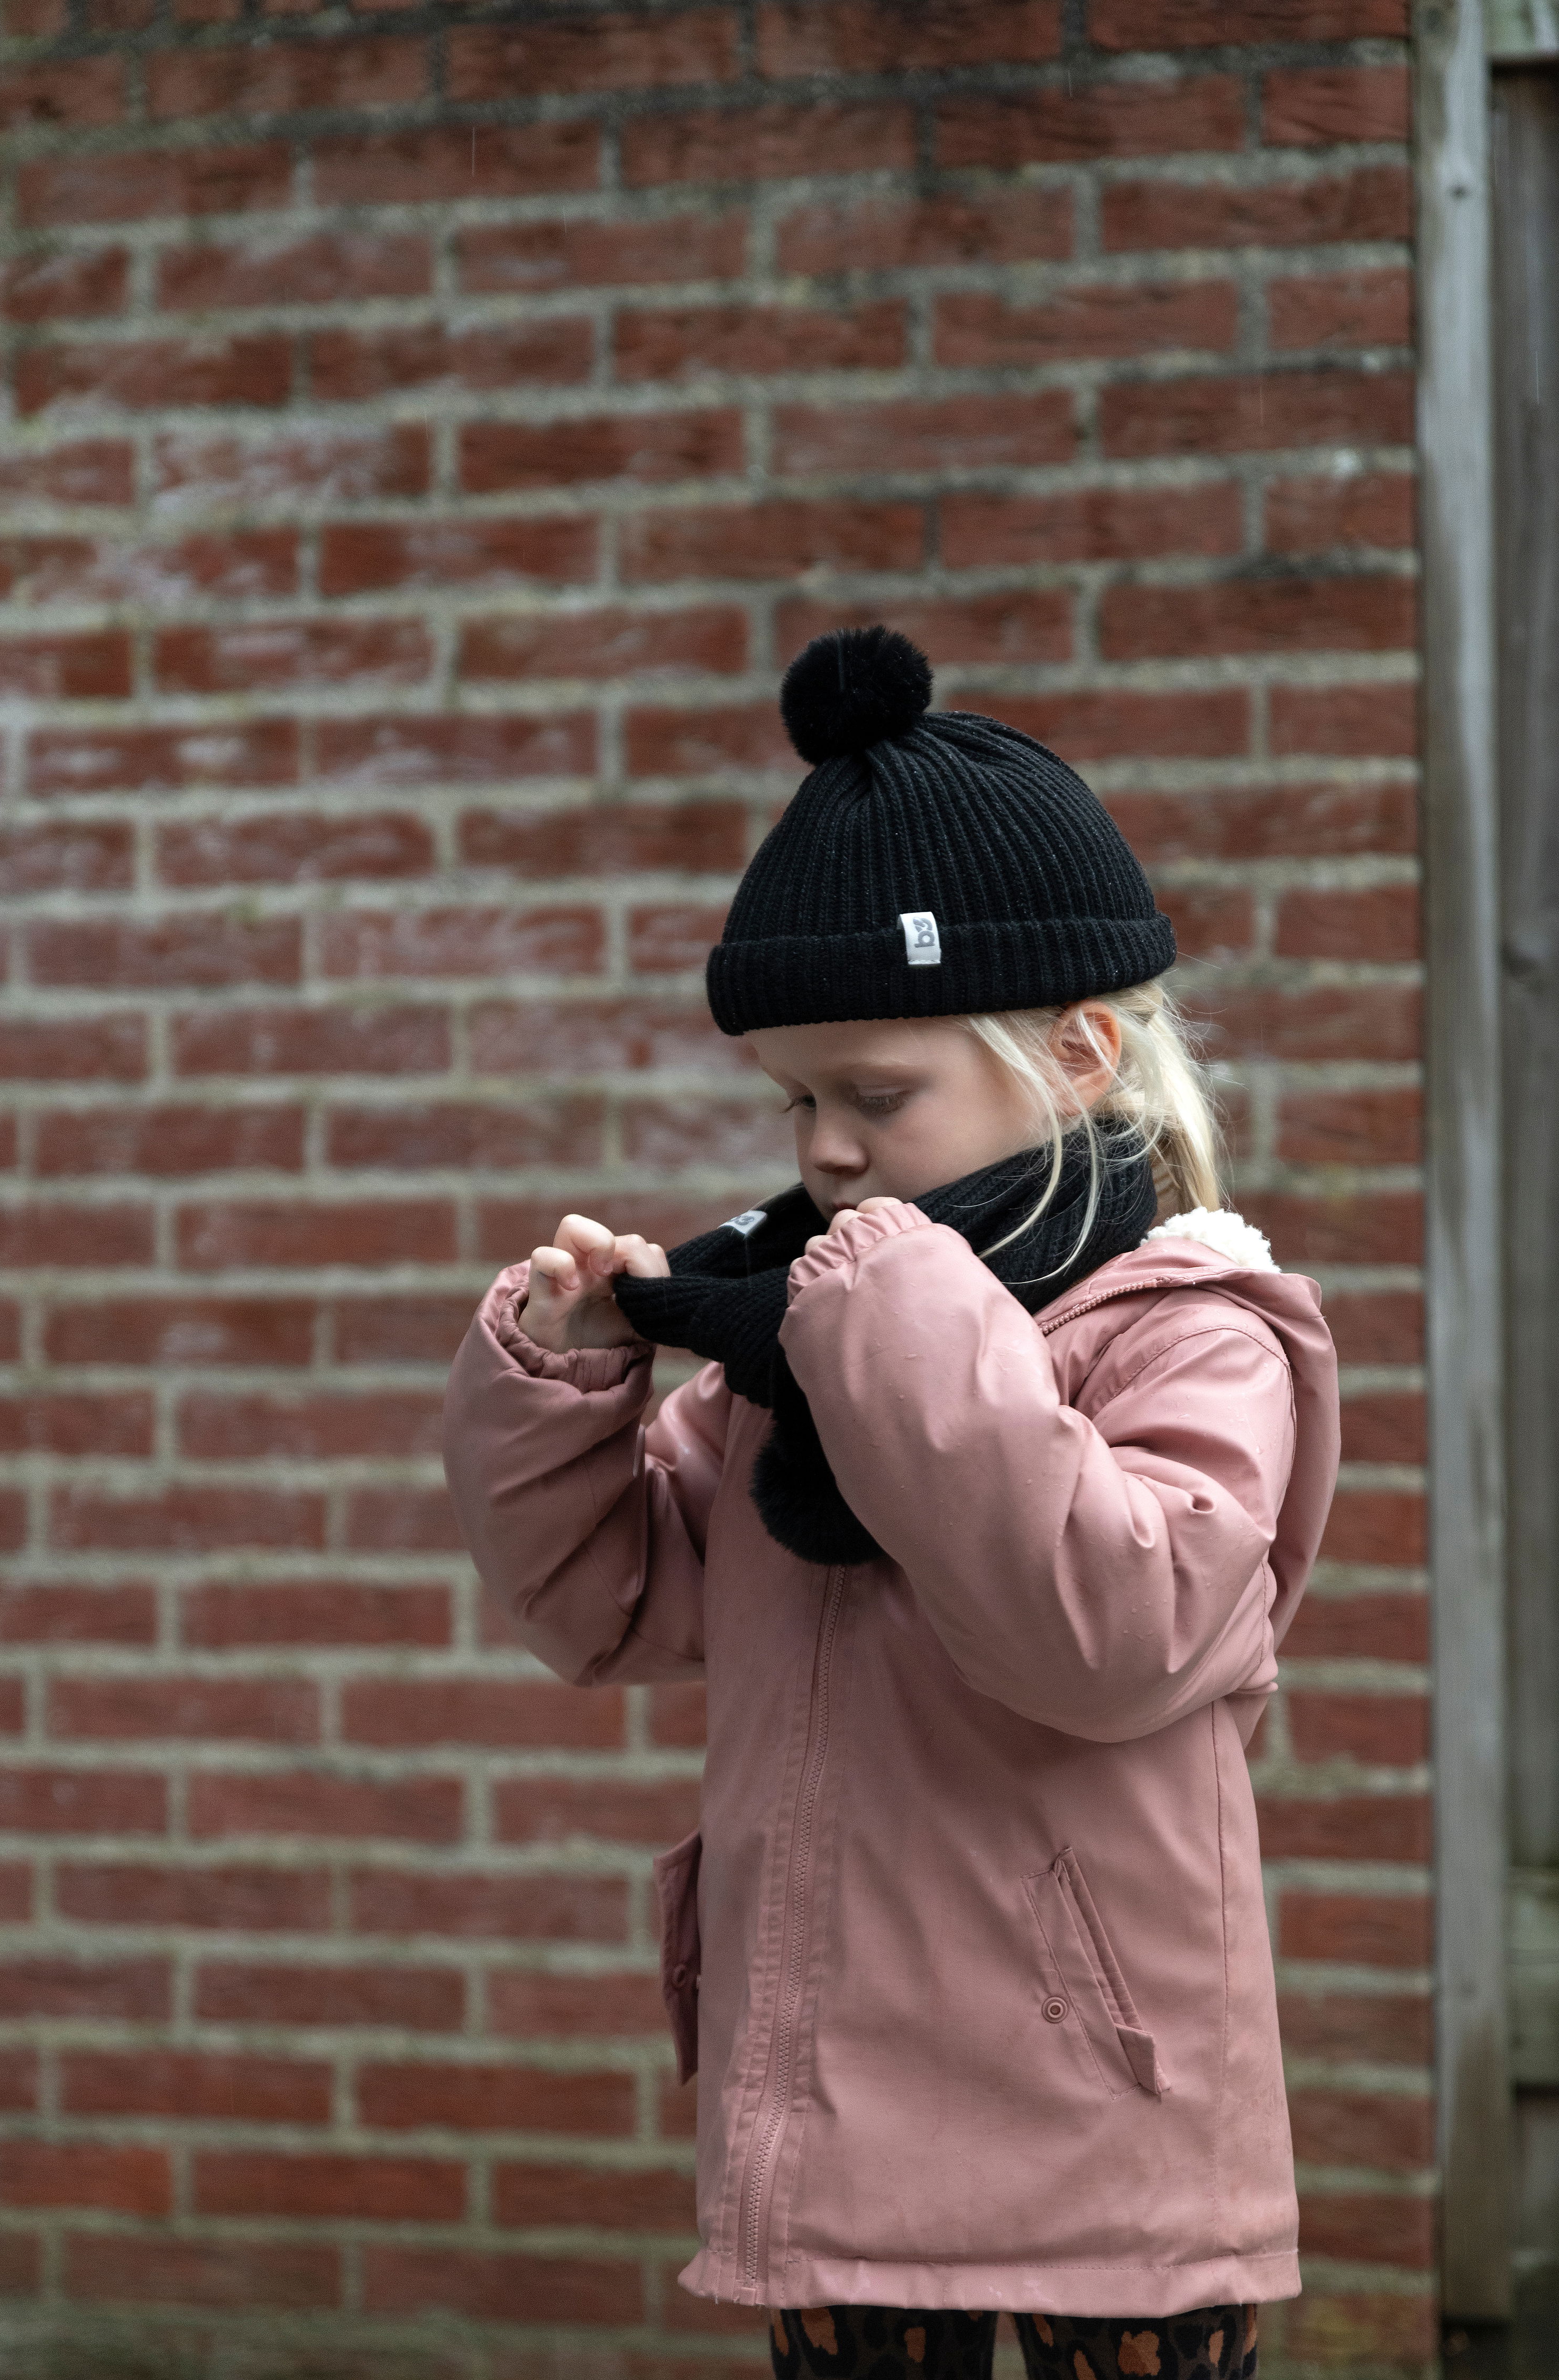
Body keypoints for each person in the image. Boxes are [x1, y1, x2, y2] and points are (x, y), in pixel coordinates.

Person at [443, 627, 1340, 2380]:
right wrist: (561, 1381)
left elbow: (1116, 1633)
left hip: (1108, 2106)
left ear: (1079, 1054)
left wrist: (890, 1326)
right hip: (835, 2102)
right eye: (795, 1097)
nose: (822, 1150)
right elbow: (611, 1609)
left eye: (877, 1093)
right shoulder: (804, 1343)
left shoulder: (1190, 1330)